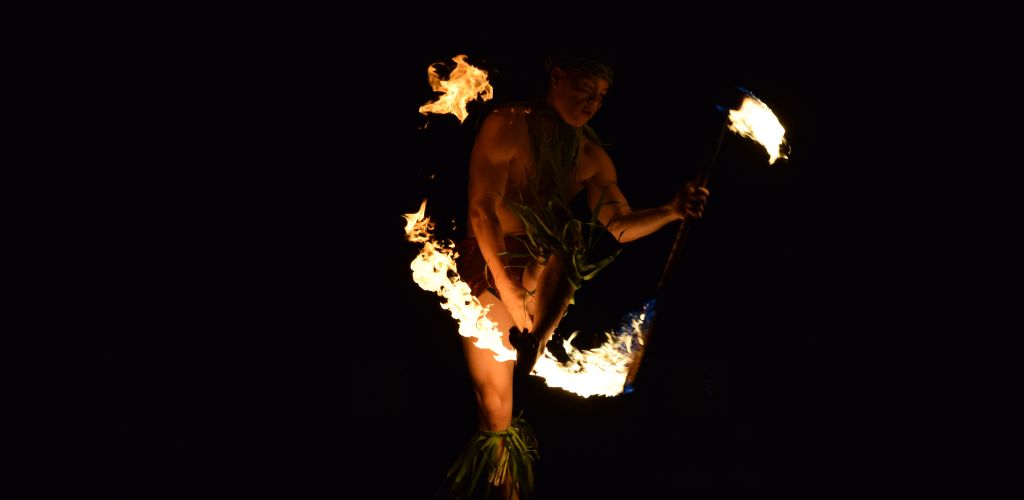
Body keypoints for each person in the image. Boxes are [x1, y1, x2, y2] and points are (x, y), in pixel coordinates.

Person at [445, 54, 709, 499]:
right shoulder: (508, 123)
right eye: (586, 89)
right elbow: (481, 212)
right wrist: (509, 295)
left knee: (565, 244)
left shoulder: (591, 156)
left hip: (540, 270)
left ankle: (536, 332)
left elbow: (619, 224)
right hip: (488, 261)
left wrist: (670, 210)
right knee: (495, 412)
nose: (593, 103)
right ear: (557, 76)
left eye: (602, 97)